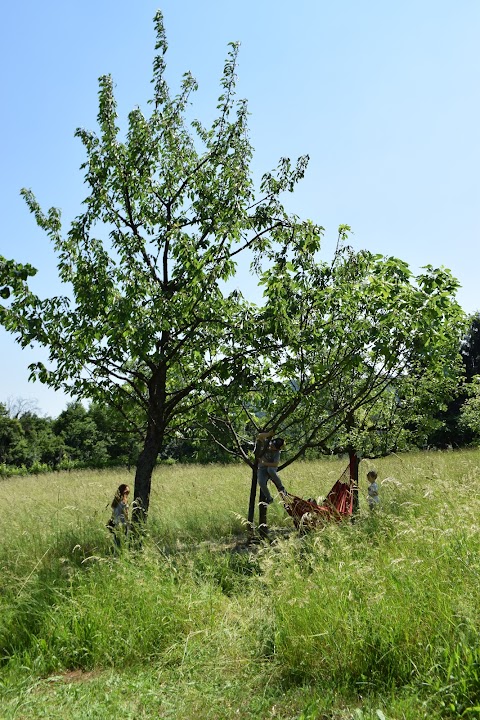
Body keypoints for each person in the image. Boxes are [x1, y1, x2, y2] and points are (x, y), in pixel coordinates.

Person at [256, 431, 288, 504]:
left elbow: (275, 464)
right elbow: (259, 436)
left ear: (278, 449)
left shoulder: (277, 453)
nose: (271, 446)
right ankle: (269, 498)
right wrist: (268, 434)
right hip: (262, 469)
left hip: (271, 468)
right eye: (272, 444)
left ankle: (281, 487)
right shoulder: (267, 443)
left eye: (274, 447)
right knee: (261, 482)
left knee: (270, 470)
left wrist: (264, 463)